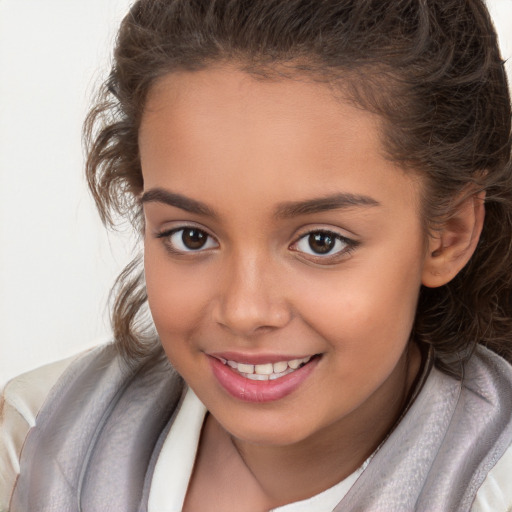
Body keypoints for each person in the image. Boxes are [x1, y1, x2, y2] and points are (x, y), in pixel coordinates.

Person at [1, 0, 512, 510]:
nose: (244, 311)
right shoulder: (37, 440)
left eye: (321, 242)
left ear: (447, 234)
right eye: (191, 237)